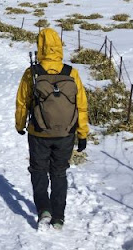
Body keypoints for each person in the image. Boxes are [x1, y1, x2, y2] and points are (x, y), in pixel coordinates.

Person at [15, 28, 89, 230]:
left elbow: (22, 103)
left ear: (40, 47)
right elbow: (81, 105)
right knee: (59, 173)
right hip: (66, 133)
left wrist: (20, 124)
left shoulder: (32, 73)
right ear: (59, 46)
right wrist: (82, 133)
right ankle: (59, 217)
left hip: (38, 132)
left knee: (38, 171)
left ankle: (43, 210)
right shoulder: (71, 72)